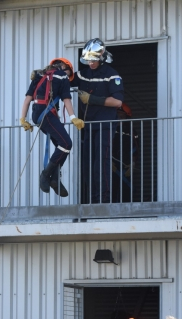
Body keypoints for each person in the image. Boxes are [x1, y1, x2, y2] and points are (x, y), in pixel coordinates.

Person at [20, 58, 84, 197]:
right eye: (69, 72)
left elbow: (27, 99)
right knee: (66, 143)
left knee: (60, 147)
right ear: (64, 68)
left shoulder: (39, 75)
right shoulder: (62, 76)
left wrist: (23, 119)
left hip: (37, 115)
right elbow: (66, 98)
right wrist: (73, 117)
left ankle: (55, 180)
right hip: (48, 115)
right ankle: (46, 175)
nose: (68, 76)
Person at [73, 38, 124, 203]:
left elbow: (118, 102)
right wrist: (47, 75)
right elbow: (64, 80)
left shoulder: (112, 75)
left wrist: (92, 99)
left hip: (105, 126)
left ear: (102, 55)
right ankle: (92, 201)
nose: (91, 63)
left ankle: (104, 201)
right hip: (88, 126)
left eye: (93, 59)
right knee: (88, 165)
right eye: (88, 60)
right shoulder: (83, 73)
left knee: (101, 164)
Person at [112, 103, 139, 203]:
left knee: (127, 191)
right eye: (117, 115)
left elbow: (136, 148)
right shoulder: (108, 130)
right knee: (111, 189)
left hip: (126, 166)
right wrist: (107, 162)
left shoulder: (132, 131)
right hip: (111, 166)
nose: (119, 118)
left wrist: (133, 163)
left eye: (121, 116)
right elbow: (103, 147)